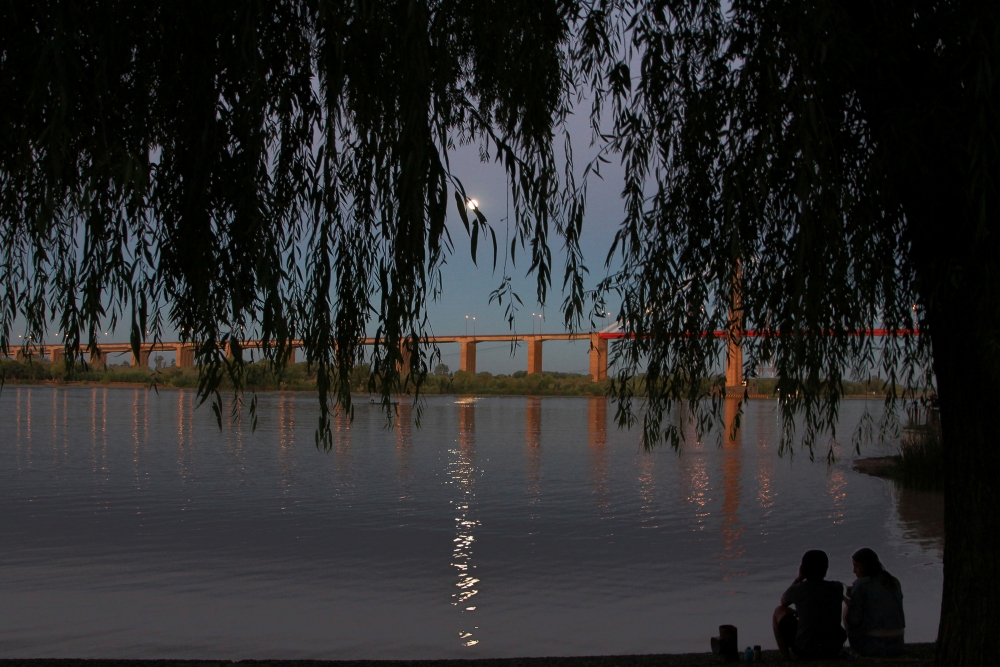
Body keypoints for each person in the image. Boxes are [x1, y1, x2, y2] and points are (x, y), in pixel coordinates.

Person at [773, 550, 847, 660]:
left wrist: (798, 579)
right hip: (833, 649)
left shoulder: (799, 589)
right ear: (825, 568)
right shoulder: (837, 587)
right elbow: (819, 604)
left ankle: (785, 658)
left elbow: (783, 601)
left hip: (806, 651)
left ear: (803, 569)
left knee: (778, 611)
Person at [844, 548, 905, 656]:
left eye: (856, 566)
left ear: (866, 565)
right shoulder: (893, 581)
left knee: (846, 609)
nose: (854, 571)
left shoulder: (861, 584)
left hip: (873, 645)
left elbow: (853, 618)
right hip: (898, 642)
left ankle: (856, 649)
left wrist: (851, 599)